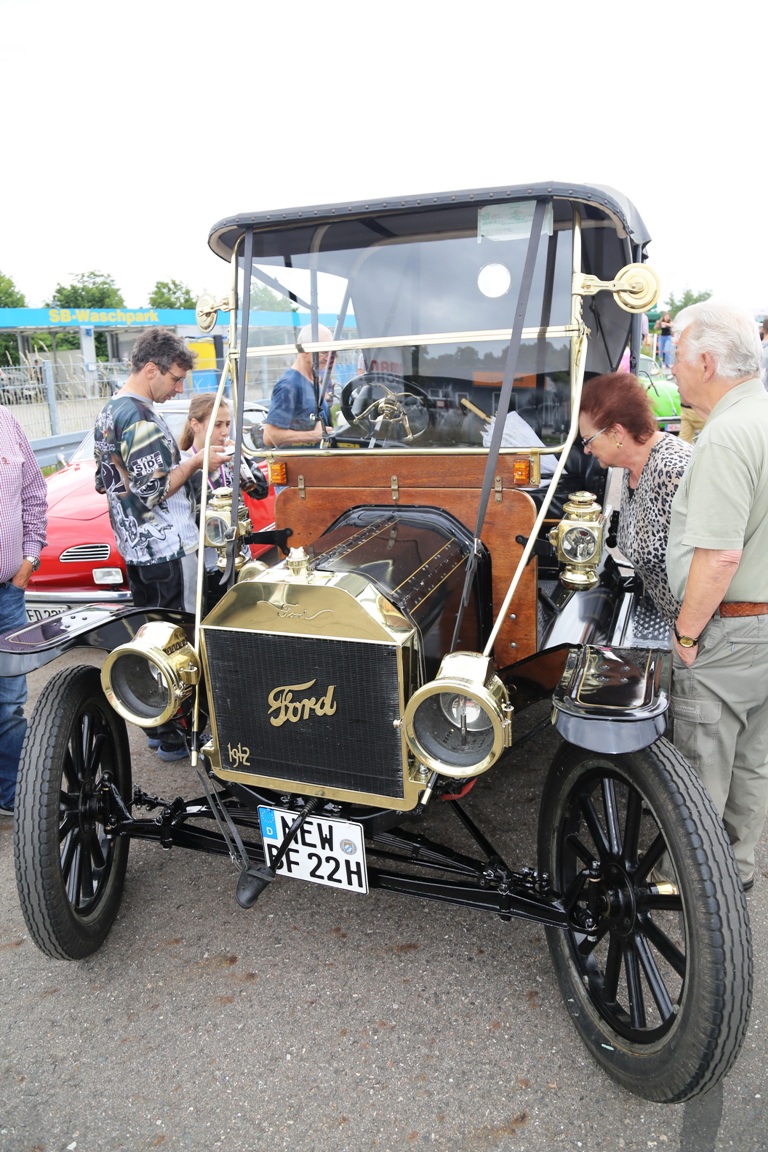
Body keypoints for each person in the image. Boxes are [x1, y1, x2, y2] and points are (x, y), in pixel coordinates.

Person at [666, 300, 768, 891]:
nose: (673, 370)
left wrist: (685, 633)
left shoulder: (727, 436)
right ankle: (738, 870)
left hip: (729, 627)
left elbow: (719, 555)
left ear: (706, 361)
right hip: (760, 624)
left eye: (678, 358)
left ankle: (700, 892)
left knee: (703, 765)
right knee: (751, 759)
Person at [94, 329, 232, 760]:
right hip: (169, 551)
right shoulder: (138, 416)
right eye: (174, 378)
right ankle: (177, 736)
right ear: (150, 369)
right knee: (177, 645)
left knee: (150, 641)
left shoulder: (110, 410)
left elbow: (108, 483)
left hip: (139, 549)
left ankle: (159, 729)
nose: (179, 388)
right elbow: (152, 491)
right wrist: (196, 461)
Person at [579, 371, 691, 626]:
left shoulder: (673, 471)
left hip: (700, 634)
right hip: (674, 623)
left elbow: (710, 563)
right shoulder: (630, 469)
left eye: (588, 440)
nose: (585, 449)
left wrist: (687, 634)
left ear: (617, 433)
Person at [178, 392, 269, 609]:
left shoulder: (229, 457)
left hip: (240, 556)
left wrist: (240, 461)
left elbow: (260, 491)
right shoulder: (185, 464)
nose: (224, 431)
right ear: (196, 425)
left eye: (227, 424)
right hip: (207, 564)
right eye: (217, 425)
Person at [0, 405, 47, 816]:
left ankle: (15, 799)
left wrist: (29, 560)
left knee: (10, 702)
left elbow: (34, 494)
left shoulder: (7, 422)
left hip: (7, 592)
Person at [262, 324, 334, 449]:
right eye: (323, 352)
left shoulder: (315, 380)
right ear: (304, 350)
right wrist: (314, 436)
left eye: (331, 352)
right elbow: (270, 436)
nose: (328, 357)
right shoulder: (289, 385)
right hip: (301, 465)